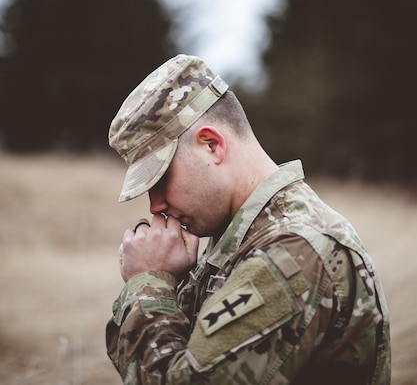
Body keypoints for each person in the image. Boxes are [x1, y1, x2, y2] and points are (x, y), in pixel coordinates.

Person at [106, 54, 391, 385]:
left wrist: (148, 283)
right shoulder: (236, 234)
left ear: (211, 145)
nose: (155, 206)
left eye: (160, 180)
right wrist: (169, 279)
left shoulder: (294, 251)